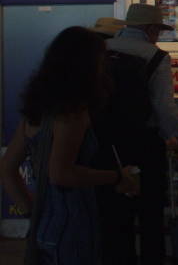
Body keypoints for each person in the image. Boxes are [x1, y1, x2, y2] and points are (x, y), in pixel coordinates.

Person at [0, 26, 139, 265]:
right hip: (75, 225)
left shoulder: (37, 110)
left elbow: (7, 169)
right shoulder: (72, 112)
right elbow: (61, 174)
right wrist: (117, 177)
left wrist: (32, 212)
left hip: (45, 226)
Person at [95, 3, 178, 265]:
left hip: (104, 144)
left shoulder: (100, 52)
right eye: (158, 30)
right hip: (144, 144)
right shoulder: (156, 56)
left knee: (114, 214)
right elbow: (164, 106)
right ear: (151, 29)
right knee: (150, 214)